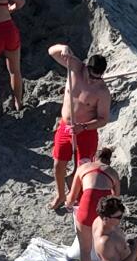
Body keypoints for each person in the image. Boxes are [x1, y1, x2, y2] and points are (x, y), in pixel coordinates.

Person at [47, 43, 112, 211]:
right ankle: (61, 194)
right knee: (58, 165)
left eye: (98, 77)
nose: (93, 80)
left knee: (82, 169)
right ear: (86, 67)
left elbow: (103, 119)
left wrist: (83, 127)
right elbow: (51, 51)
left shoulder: (102, 92)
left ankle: (75, 196)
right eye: (91, 75)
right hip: (65, 127)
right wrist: (63, 48)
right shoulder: (75, 67)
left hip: (86, 133)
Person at [66, 147, 120, 261]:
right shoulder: (113, 173)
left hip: (86, 207)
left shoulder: (83, 168)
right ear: (109, 161)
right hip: (105, 211)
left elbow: (72, 197)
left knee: (85, 250)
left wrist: (68, 204)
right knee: (108, 248)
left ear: (94, 158)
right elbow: (116, 198)